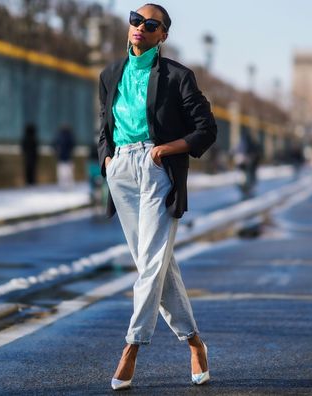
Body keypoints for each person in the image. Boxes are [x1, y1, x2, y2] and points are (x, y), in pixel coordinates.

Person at [97, 3, 217, 390]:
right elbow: (105, 125)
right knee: (158, 266)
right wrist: (107, 160)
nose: (140, 28)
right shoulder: (109, 74)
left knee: (150, 264)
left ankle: (132, 346)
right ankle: (194, 341)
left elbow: (206, 129)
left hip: (156, 170)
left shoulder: (178, 76)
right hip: (122, 173)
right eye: (136, 19)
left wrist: (167, 149)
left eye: (151, 25)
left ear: (162, 35)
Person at [233, 129, 261, 198]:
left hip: (247, 164)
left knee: (247, 175)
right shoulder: (247, 144)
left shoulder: (242, 144)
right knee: (246, 176)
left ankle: (247, 188)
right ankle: (247, 188)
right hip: (245, 164)